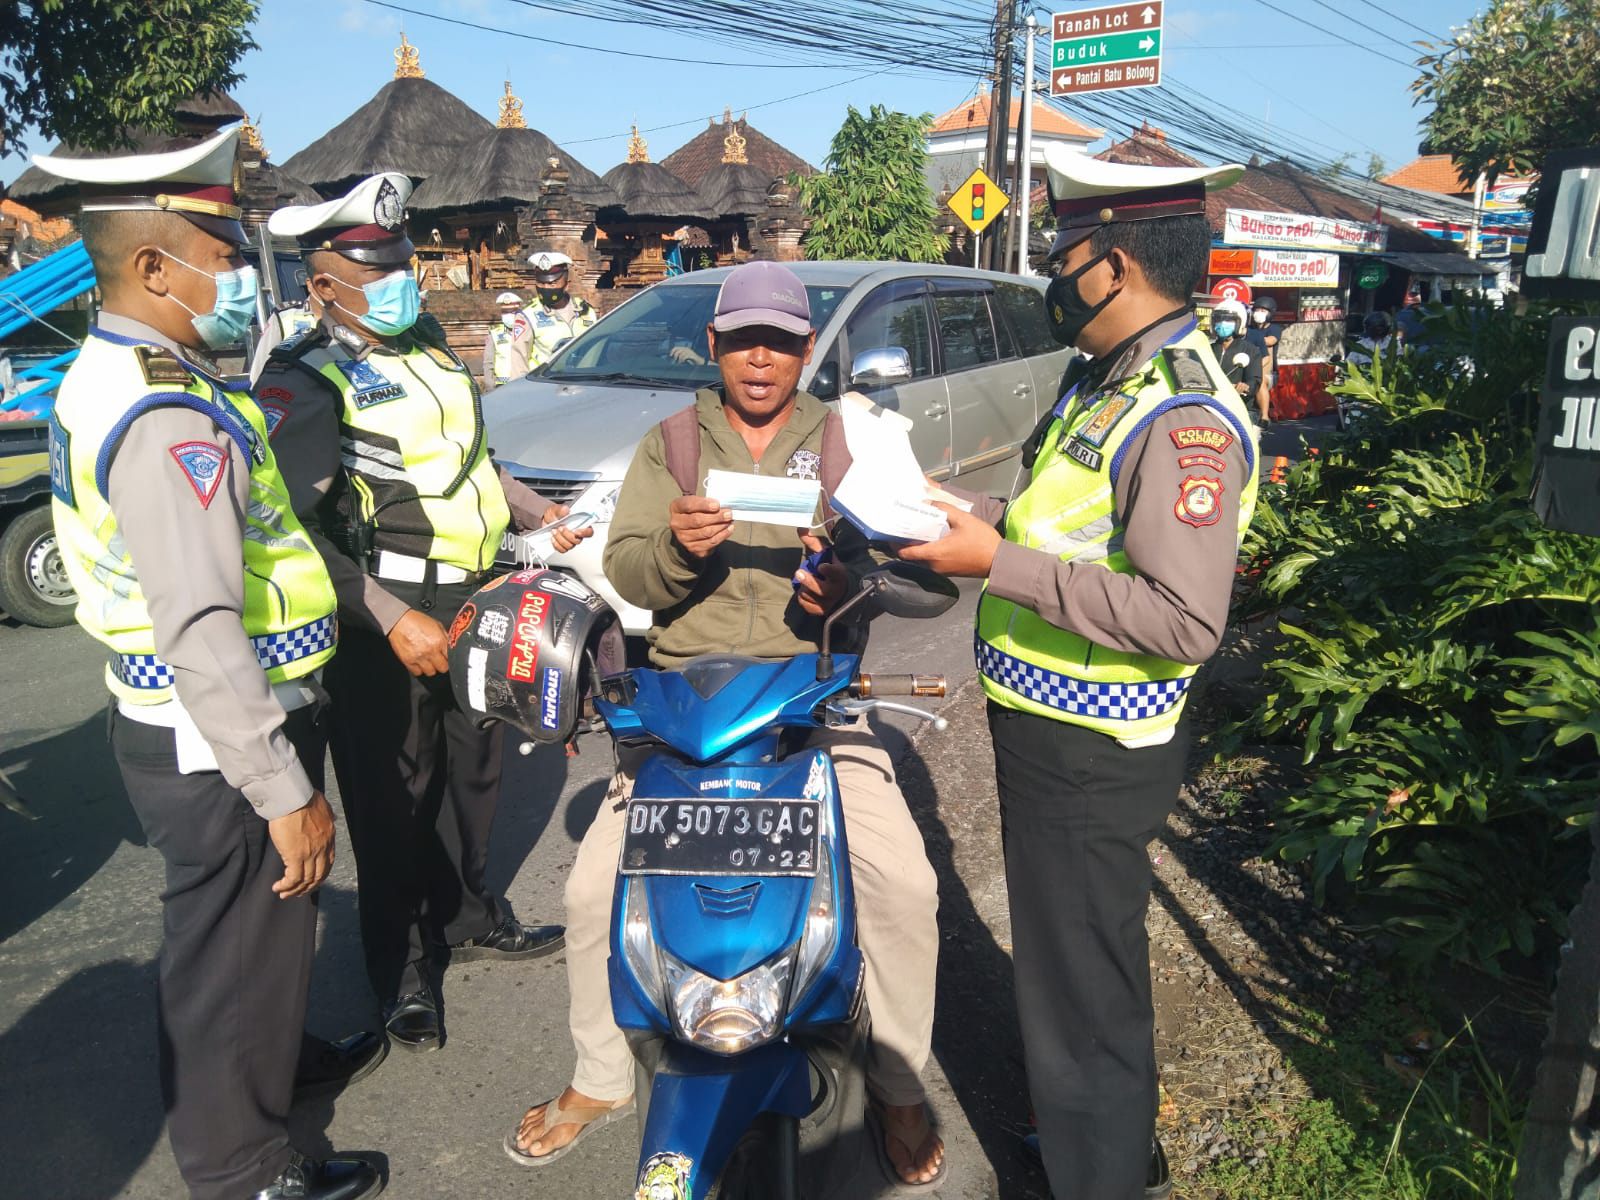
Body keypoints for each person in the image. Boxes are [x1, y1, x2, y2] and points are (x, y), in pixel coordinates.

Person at [503, 260, 947, 1188]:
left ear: (806, 350)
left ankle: (900, 1084)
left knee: (902, 885)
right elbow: (628, 570)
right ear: (714, 346)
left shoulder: (848, 440)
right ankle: (600, 1076)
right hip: (686, 704)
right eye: (743, 341)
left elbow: (913, 559)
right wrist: (675, 547)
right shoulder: (671, 442)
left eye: (780, 343)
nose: (761, 359)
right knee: (591, 894)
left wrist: (844, 586)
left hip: (813, 697)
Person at [899, 146, 1259, 1200]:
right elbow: (1060, 525)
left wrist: (994, 564)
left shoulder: (1180, 417)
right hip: (1050, 723)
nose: (1052, 279)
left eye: (1062, 259)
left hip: (1095, 747)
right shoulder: (1105, 377)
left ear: (1115, 266)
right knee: (1073, 962)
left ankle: (1098, 1174)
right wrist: (969, 518)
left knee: (1080, 981)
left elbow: (1185, 619)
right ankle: (1101, 1142)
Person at [37, 127, 381, 1200]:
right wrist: (281, 788)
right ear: (153, 266)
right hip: (216, 731)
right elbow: (197, 622)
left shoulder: (144, 373)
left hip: (212, 718)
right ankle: (241, 1166)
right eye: (221, 253)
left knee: (256, 936)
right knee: (231, 945)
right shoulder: (160, 412)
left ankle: (266, 1061)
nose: (239, 274)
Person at [255, 172, 588, 1054]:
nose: (403, 281)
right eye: (379, 271)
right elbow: (289, 528)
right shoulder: (305, 378)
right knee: (393, 795)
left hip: (472, 593)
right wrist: (388, 615)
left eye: (404, 261)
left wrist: (536, 511)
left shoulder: (433, 345)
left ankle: (467, 917)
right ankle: (400, 968)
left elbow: (475, 460)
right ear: (324, 284)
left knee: (473, 771)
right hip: (383, 615)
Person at [520, 250, 597, 370]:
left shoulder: (586, 311)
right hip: (544, 380)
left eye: (552, 284)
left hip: (583, 378)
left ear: (567, 285)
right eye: (541, 283)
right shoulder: (527, 316)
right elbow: (518, 361)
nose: (546, 288)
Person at [1208, 298, 1264, 420]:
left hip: (1239, 408)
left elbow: (1255, 380)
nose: (1222, 324)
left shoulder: (1250, 350)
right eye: (1219, 320)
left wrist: (1245, 387)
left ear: (1240, 323)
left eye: (1228, 320)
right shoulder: (1207, 349)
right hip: (1211, 406)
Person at [482, 290, 532, 390]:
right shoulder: (495, 334)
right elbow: (488, 362)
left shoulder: (528, 330)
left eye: (512, 312)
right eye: (505, 312)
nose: (508, 315)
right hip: (502, 385)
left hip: (524, 382)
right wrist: (490, 386)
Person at [1245, 297, 1281, 424]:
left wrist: (1256, 339)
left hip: (1267, 372)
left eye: (1263, 311)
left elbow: (1271, 340)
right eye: (1257, 310)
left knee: (1260, 383)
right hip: (1247, 367)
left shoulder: (1274, 329)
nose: (1259, 313)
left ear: (1270, 313)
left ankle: (1265, 416)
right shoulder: (1249, 328)